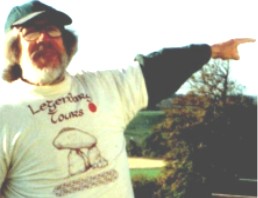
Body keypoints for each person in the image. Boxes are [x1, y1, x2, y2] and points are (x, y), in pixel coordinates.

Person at [0, 1, 255, 198]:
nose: (44, 38)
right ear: (14, 49)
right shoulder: (6, 114)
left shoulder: (105, 87)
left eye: (52, 30)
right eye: (31, 33)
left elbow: (158, 67)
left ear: (67, 43)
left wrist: (213, 50)